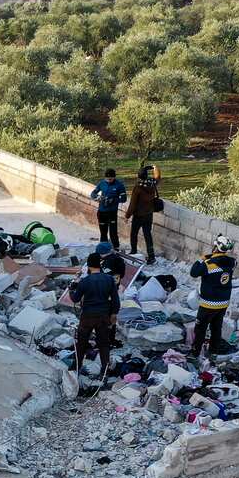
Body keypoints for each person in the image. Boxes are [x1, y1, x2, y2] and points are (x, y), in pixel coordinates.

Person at [70, 252, 120, 382]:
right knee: (104, 344)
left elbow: (75, 299)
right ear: (100, 264)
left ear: (88, 266)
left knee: (81, 343)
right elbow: (116, 300)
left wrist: (72, 288)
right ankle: (104, 372)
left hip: (87, 316)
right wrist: (114, 314)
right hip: (103, 316)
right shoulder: (109, 279)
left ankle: (76, 368)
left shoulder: (85, 281)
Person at [189, 235, 236, 360]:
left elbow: (193, 272)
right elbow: (223, 261)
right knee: (216, 327)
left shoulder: (208, 264)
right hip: (223, 303)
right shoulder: (232, 262)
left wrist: (201, 259)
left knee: (200, 328)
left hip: (208, 303)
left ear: (216, 247)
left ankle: (195, 353)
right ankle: (213, 352)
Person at [125, 164, 160, 264]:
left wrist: (127, 216)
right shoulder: (152, 183)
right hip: (149, 214)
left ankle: (134, 252)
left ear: (138, 176)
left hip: (139, 215)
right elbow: (158, 177)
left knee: (134, 234)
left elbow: (132, 204)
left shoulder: (138, 187)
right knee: (147, 235)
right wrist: (155, 168)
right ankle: (151, 256)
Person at [90, 169, 126, 248]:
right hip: (101, 211)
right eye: (107, 179)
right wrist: (97, 197)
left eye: (110, 179)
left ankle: (116, 248)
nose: (108, 180)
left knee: (113, 232)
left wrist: (113, 200)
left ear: (114, 177)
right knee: (103, 232)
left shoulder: (119, 185)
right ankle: (103, 248)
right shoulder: (102, 183)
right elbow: (93, 193)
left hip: (112, 212)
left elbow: (124, 198)